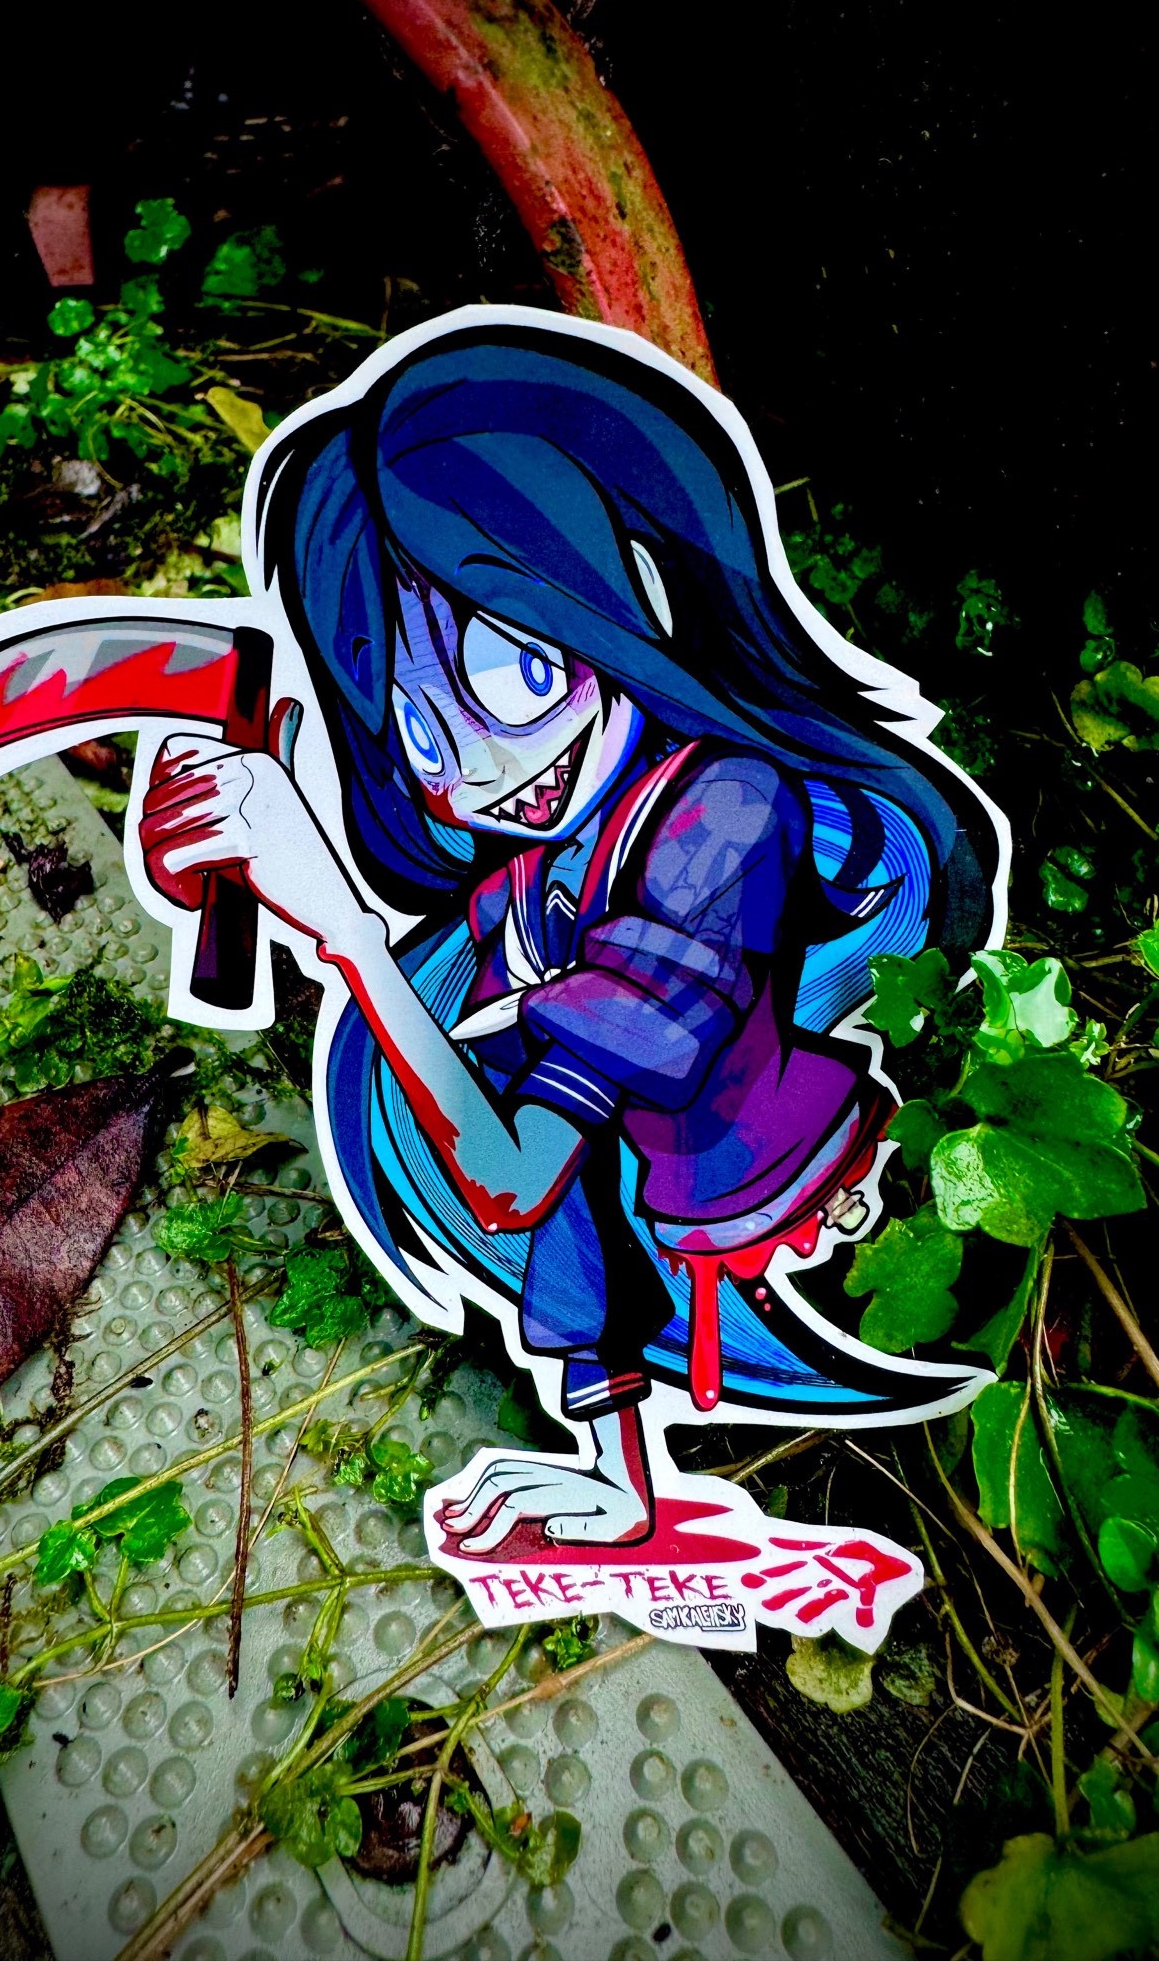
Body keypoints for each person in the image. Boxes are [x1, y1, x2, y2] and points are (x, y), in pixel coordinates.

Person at [139, 317, 1002, 1554]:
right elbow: (494, 1066)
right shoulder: (555, 858)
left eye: (513, 674)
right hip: (644, 1201)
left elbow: (513, 1176)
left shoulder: (727, 812)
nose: (485, 771)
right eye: (422, 737)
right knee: (510, 1099)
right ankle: (620, 1472)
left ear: (617, 593)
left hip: (791, 1192)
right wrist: (264, 862)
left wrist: (342, 929)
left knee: (535, 1133)